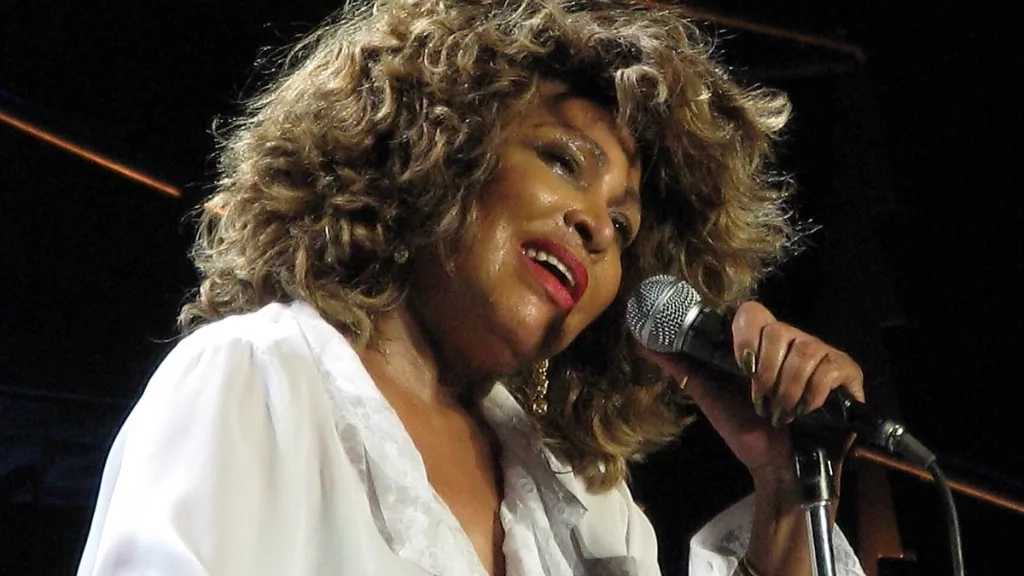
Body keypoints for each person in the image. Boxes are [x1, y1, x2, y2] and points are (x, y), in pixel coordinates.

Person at [76, 1, 869, 575]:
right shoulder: (257, 379)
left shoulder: (585, 504)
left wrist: (784, 488)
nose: (596, 227)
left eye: (624, 227)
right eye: (563, 161)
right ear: (436, 154)